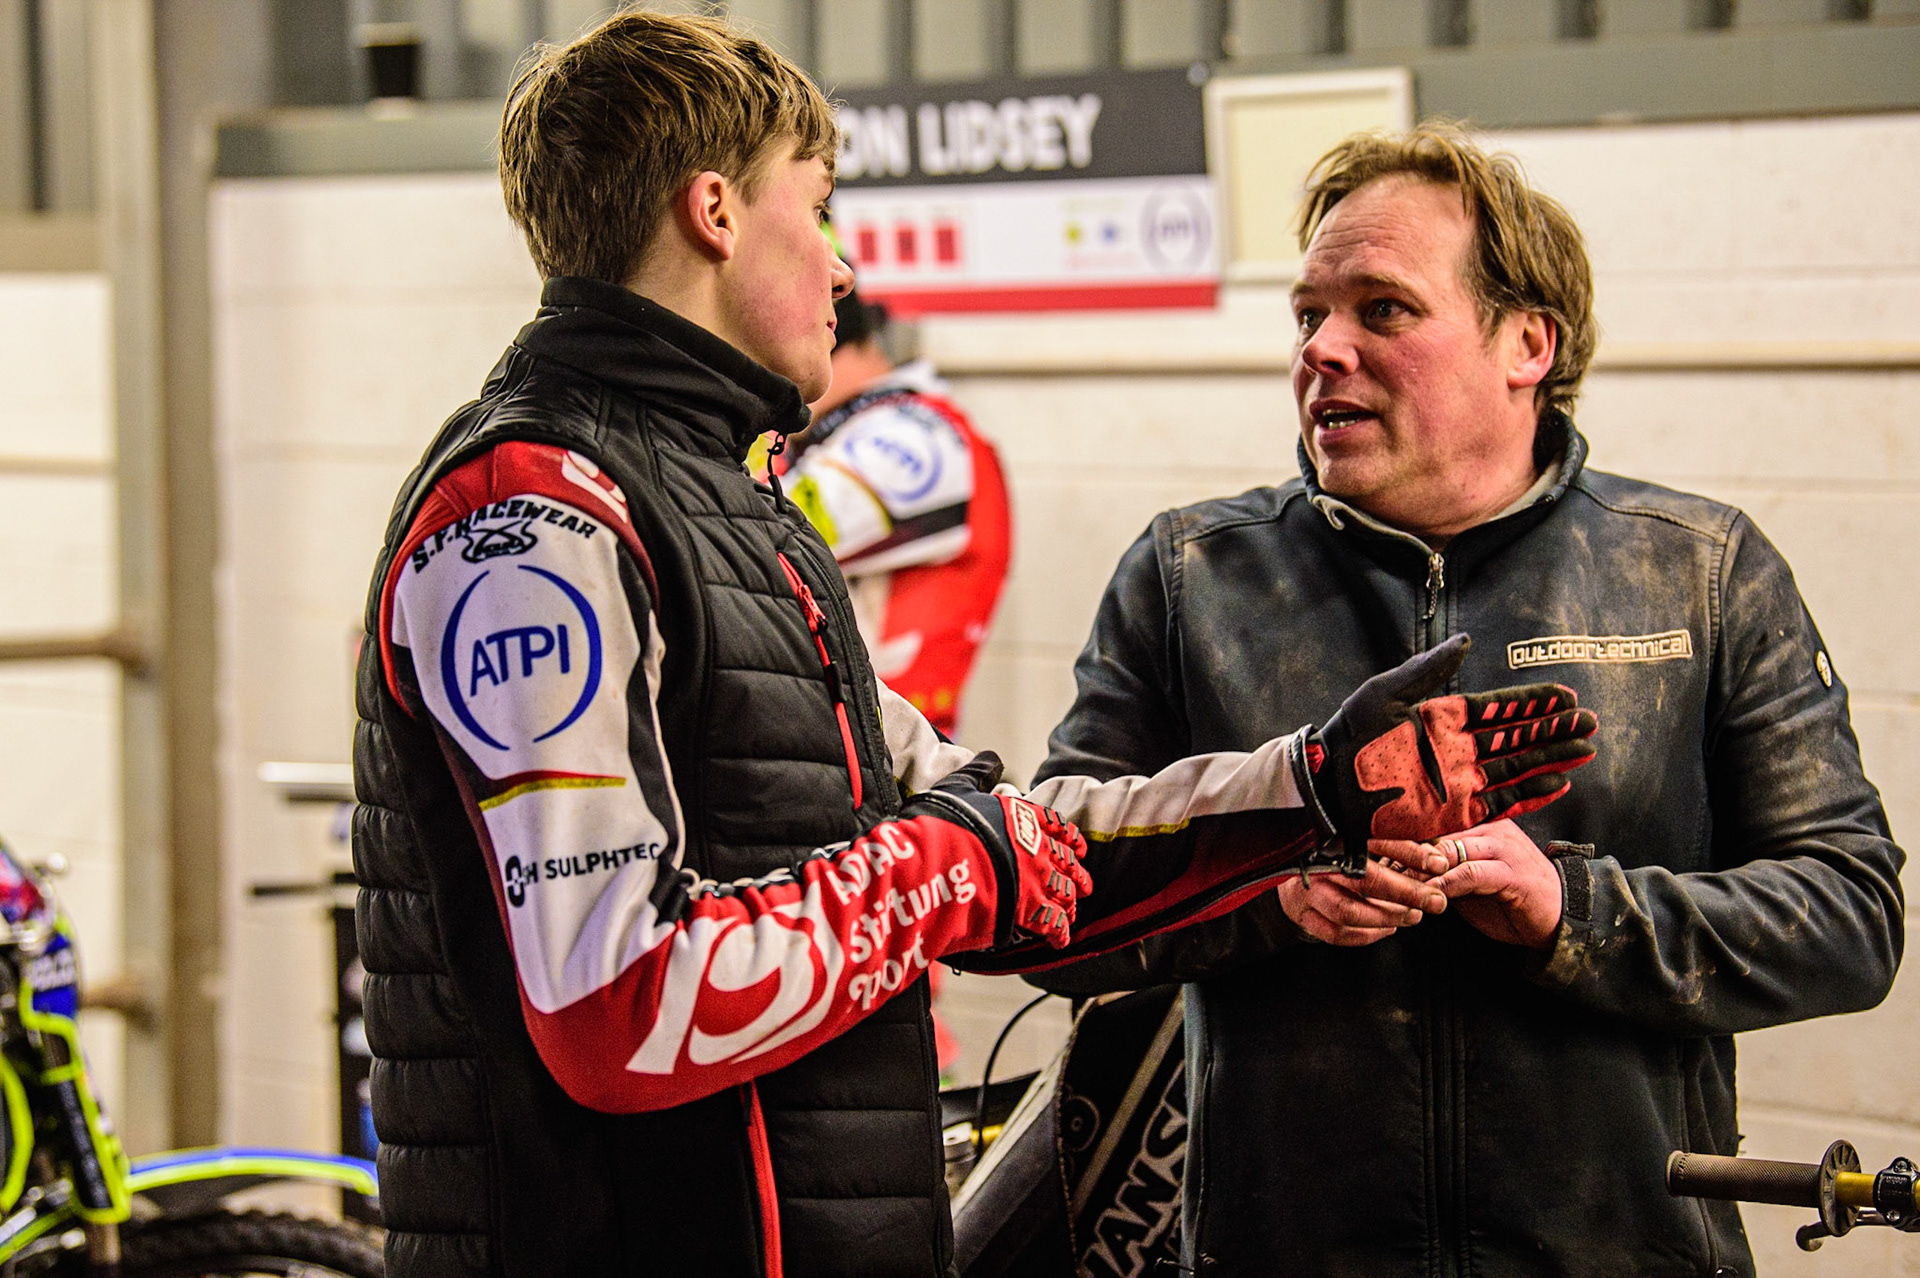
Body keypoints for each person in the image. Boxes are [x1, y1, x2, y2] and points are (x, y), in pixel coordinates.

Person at [349, 17, 1600, 1275]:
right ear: (716, 211)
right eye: (821, 207)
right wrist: (944, 869)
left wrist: (1315, 792)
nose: (840, 270)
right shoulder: (531, 514)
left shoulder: (736, 513)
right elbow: (616, 1006)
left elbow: (1012, 843)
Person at [1031, 123, 1906, 1276]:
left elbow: (1849, 917)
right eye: (1307, 315)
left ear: (1527, 344)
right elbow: (1042, 901)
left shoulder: (1700, 570)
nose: (1323, 351)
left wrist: (1574, 911)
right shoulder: (1193, 578)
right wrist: (1268, 892)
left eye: (1381, 310)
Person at [776, 288, 1009, 738]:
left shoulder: (914, 435)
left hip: (885, 763)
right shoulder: (849, 430)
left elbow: (749, 539)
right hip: (849, 745)